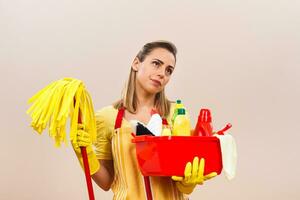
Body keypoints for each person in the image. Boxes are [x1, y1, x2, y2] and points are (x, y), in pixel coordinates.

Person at [71, 40, 217, 199]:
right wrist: (85, 154)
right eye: (156, 64)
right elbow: (106, 182)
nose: (162, 73)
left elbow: (182, 174)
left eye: (169, 70)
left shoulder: (176, 115)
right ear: (136, 63)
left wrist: (187, 183)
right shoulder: (107, 117)